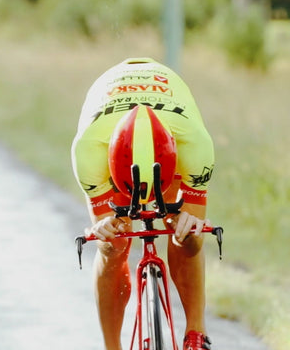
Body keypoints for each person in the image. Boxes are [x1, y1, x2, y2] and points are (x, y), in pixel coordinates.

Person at [71, 57, 215, 350]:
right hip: (112, 147)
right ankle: (112, 346)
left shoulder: (195, 147)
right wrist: (107, 234)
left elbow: (193, 245)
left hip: (173, 143)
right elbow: (108, 243)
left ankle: (196, 332)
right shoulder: (89, 151)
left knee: (186, 233)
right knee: (114, 246)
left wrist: (189, 228)